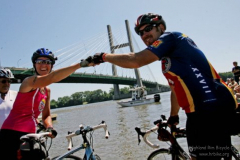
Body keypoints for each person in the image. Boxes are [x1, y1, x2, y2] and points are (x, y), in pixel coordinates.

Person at [91, 13, 238, 159]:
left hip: (208, 109)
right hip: (205, 109)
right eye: (140, 33)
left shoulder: (171, 37)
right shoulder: (168, 59)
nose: (144, 35)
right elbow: (175, 90)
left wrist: (104, 56)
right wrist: (173, 116)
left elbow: (136, 60)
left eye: (148, 29)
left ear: (160, 27)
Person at [0, 48, 92, 160]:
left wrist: (49, 127)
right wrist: (81, 64)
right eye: (40, 61)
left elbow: (46, 115)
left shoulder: (47, 91)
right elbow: (51, 77)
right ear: (34, 64)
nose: (44, 65)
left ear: (52, 66)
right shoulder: (28, 82)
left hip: (31, 136)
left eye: (48, 62)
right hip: (11, 135)